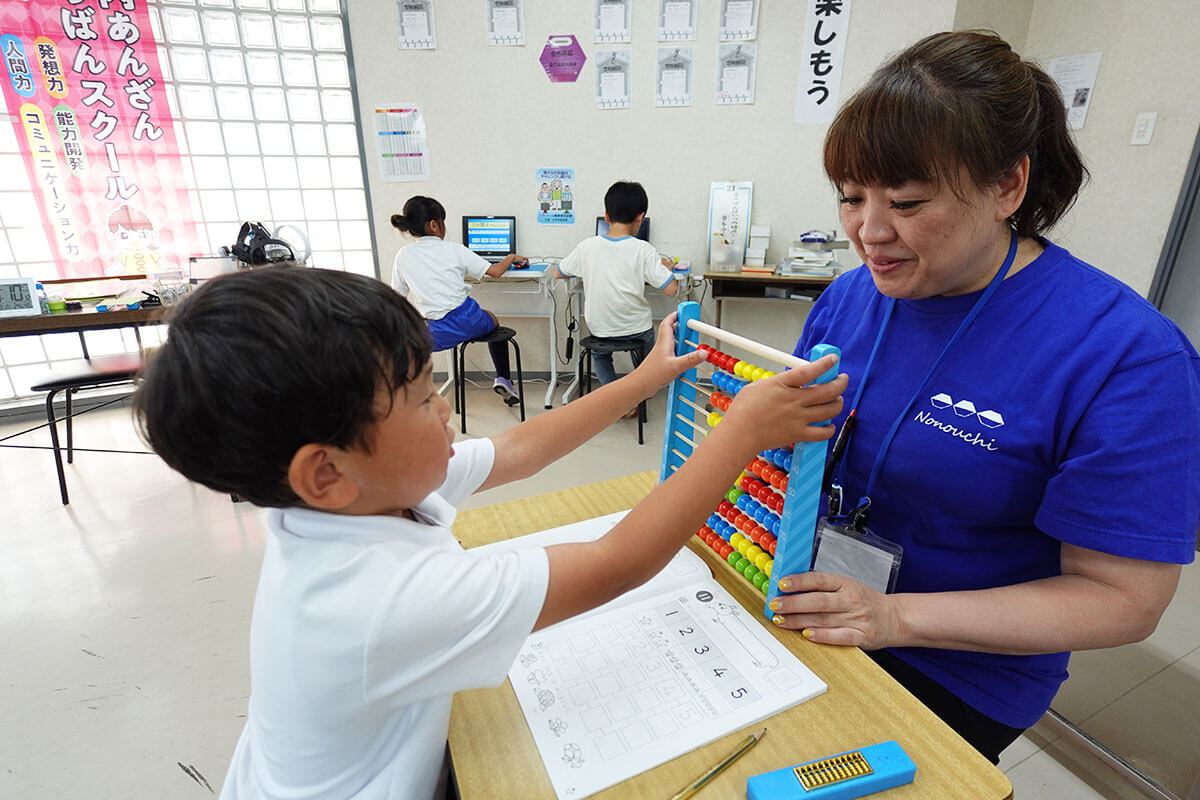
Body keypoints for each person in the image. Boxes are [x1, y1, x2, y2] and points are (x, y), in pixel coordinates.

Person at [133, 266, 848, 800]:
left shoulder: (346, 500)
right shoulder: (378, 599)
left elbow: (519, 449)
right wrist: (741, 432)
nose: (446, 411)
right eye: (422, 399)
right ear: (325, 471)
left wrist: (645, 381)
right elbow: (620, 562)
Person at [771, 29, 1200, 764]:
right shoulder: (849, 298)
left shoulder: (1128, 357)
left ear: (1008, 187)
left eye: (907, 201)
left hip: (958, 669)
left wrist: (892, 617)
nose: (869, 233)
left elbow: (1123, 600)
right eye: (851, 198)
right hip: (818, 603)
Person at [390, 195, 526, 405]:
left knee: (413, 346)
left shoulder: (403, 255)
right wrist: (510, 257)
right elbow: (496, 271)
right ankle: (504, 379)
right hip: (469, 321)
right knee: (492, 318)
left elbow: (396, 299)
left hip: (435, 334)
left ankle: (415, 397)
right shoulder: (455, 250)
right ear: (434, 224)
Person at [555, 180, 679, 388]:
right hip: (636, 329)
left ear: (606, 216)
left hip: (600, 328)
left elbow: (558, 273)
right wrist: (665, 268)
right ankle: (642, 388)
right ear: (640, 217)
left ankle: (612, 396)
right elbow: (671, 290)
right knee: (646, 354)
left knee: (600, 355)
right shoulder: (643, 250)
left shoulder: (587, 247)